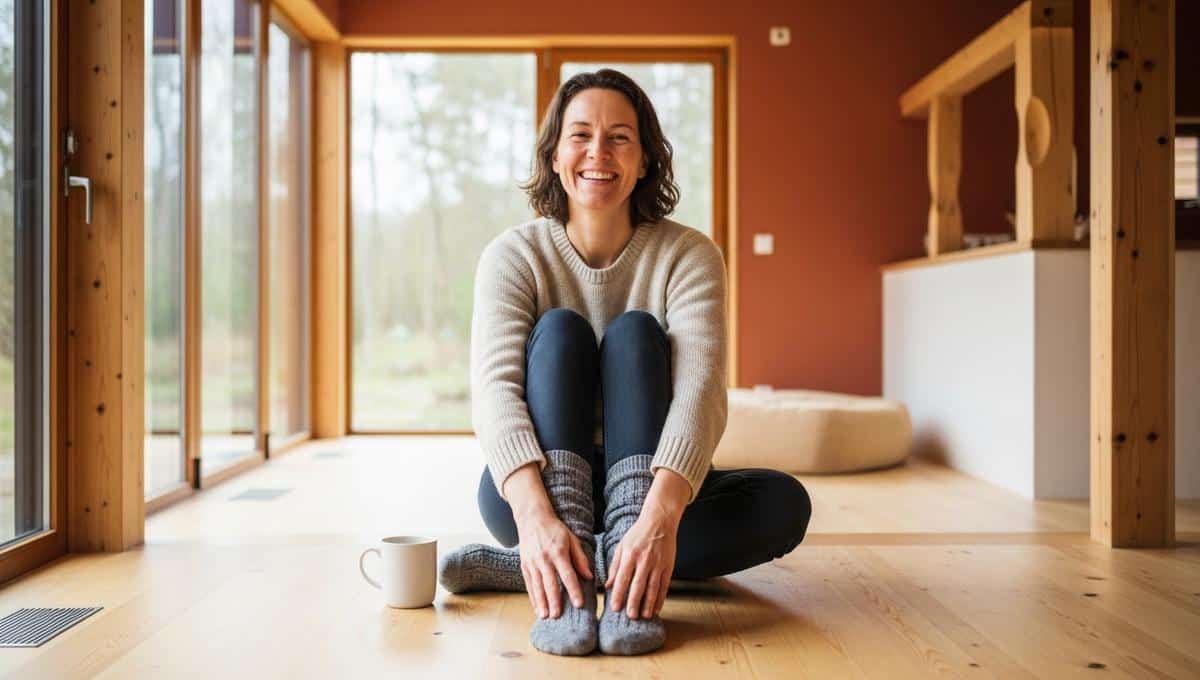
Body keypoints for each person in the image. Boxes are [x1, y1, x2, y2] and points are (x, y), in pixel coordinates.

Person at [437, 68, 812, 656]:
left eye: (619, 138)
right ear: (555, 155)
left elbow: (701, 395)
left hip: (657, 477)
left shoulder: (689, 255)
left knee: (784, 505)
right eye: (580, 135)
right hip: (546, 483)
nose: (598, 153)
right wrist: (535, 516)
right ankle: (572, 564)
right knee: (560, 333)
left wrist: (659, 519)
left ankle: (569, 563)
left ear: (643, 160)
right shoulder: (513, 255)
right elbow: (493, 392)